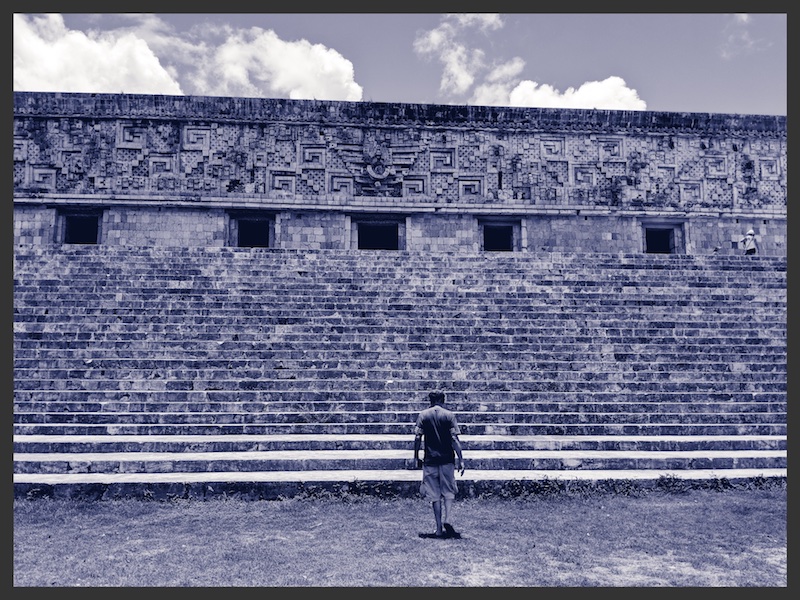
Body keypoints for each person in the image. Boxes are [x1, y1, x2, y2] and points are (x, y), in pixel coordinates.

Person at [413, 391, 465, 539]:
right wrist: (461, 459)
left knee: (434, 496)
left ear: (430, 400)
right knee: (448, 492)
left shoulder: (423, 415)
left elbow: (417, 437)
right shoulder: (449, 415)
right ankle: (447, 519)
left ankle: (438, 529)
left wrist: (416, 456)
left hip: (430, 460)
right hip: (447, 459)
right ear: (443, 400)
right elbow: (454, 439)